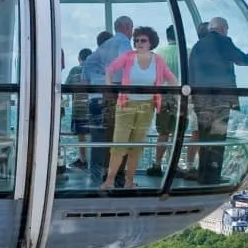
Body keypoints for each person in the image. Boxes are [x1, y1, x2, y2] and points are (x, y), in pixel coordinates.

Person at [102, 26, 177, 191]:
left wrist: (182, 92)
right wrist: (109, 87)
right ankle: (109, 181)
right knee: (119, 144)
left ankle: (129, 181)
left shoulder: (157, 60)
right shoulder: (128, 57)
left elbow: (171, 78)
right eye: (136, 40)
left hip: (147, 106)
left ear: (151, 43)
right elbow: (110, 69)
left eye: (143, 40)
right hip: (126, 105)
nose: (138, 43)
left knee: (137, 145)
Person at [187, 15, 248, 185]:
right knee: (217, 137)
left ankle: (203, 174)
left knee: (204, 137)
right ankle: (212, 176)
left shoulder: (197, 46)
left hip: (200, 99)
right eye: (226, 29)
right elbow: (240, 59)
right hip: (219, 99)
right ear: (222, 28)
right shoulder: (223, 41)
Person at [81, 17, 133, 182]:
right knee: (120, 135)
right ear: (127, 27)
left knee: (99, 137)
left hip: (95, 100)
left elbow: (84, 82)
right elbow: (128, 64)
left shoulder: (93, 56)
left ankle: (98, 171)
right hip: (115, 95)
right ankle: (117, 173)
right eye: (131, 29)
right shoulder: (123, 42)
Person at [150, 23, 182, 177]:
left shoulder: (158, 54)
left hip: (162, 95)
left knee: (163, 132)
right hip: (181, 97)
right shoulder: (186, 53)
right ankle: (174, 165)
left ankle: (157, 164)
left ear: (167, 36)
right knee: (177, 133)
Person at [64, 48, 93, 169]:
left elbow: (66, 86)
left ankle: (83, 160)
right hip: (94, 109)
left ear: (79, 58)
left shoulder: (75, 70)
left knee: (81, 136)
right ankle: (96, 162)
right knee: (96, 136)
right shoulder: (95, 71)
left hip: (79, 109)